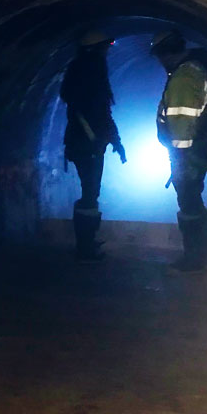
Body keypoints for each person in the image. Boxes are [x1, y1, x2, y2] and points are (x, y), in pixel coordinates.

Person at [151, 29, 207, 272]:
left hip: (188, 152)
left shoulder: (184, 76)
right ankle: (197, 255)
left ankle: (195, 258)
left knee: (189, 199)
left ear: (166, 54)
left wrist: (180, 155)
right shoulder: (195, 70)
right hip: (197, 149)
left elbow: (182, 118)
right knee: (191, 198)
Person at [60, 30, 126, 261]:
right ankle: (85, 247)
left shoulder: (84, 73)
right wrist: (109, 141)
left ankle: (86, 242)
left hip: (85, 143)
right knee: (90, 193)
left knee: (90, 192)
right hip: (88, 145)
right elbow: (98, 113)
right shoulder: (90, 73)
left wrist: (115, 141)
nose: (107, 52)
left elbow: (101, 113)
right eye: (105, 47)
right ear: (95, 49)